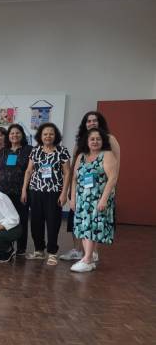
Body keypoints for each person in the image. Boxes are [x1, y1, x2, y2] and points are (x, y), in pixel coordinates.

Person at [60, 111, 121, 261]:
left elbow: (115, 166)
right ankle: (77, 250)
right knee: (77, 220)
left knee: (95, 222)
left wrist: (109, 189)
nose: (92, 123)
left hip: (100, 188)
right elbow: (74, 167)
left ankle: (92, 254)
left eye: (95, 120)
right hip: (81, 188)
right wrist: (70, 192)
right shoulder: (80, 141)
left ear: (100, 123)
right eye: (88, 121)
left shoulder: (109, 139)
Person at [21, 122, 71, 266]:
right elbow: (29, 171)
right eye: (45, 134)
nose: (48, 136)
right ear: (40, 136)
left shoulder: (62, 151)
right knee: (36, 222)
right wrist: (24, 189)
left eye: (51, 134)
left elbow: (67, 173)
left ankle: (52, 252)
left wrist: (64, 193)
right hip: (35, 191)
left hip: (54, 193)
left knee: (53, 222)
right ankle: (39, 250)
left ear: (55, 136)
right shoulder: (35, 150)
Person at [69, 128, 118, 272]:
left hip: (98, 199)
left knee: (92, 228)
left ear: (103, 141)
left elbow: (112, 179)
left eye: (98, 139)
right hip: (82, 199)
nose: (95, 141)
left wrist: (104, 199)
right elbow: (74, 179)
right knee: (83, 227)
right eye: (92, 139)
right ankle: (88, 259)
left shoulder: (107, 155)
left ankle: (87, 259)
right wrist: (73, 199)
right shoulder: (81, 156)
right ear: (87, 141)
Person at [0, 123, 32, 255]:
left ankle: (21, 248)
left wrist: (24, 190)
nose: (14, 135)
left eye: (17, 133)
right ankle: (7, 246)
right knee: (5, 219)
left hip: (21, 191)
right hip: (3, 192)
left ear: (22, 135)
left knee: (21, 219)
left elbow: (30, 171)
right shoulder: (3, 151)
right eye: (12, 133)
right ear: (8, 136)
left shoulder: (29, 150)